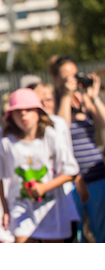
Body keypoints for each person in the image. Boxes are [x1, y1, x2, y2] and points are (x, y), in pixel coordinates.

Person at [0, 89, 79, 243]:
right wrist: (5, 210)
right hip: (20, 208)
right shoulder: (7, 143)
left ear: (39, 112)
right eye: (18, 111)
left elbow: (71, 171)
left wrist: (45, 187)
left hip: (51, 208)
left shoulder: (50, 136)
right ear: (11, 115)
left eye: (28, 109)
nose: (23, 114)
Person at [49, 55, 105, 243]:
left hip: (96, 174)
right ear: (56, 79)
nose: (73, 80)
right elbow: (61, 128)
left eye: (75, 75)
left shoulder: (84, 100)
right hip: (70, 179)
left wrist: (94, 97)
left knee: (101, 229)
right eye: (67, 77)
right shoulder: (53, 102)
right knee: (76, 234)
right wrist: (66, 95)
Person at [32, 81, 85, 241]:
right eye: (40, 101)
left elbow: (67, 156)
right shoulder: (23, 131)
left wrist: (77, 179)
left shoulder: (58, 123)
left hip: (63, 191)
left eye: (48, 99)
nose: (45, 104)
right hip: (35, 197)